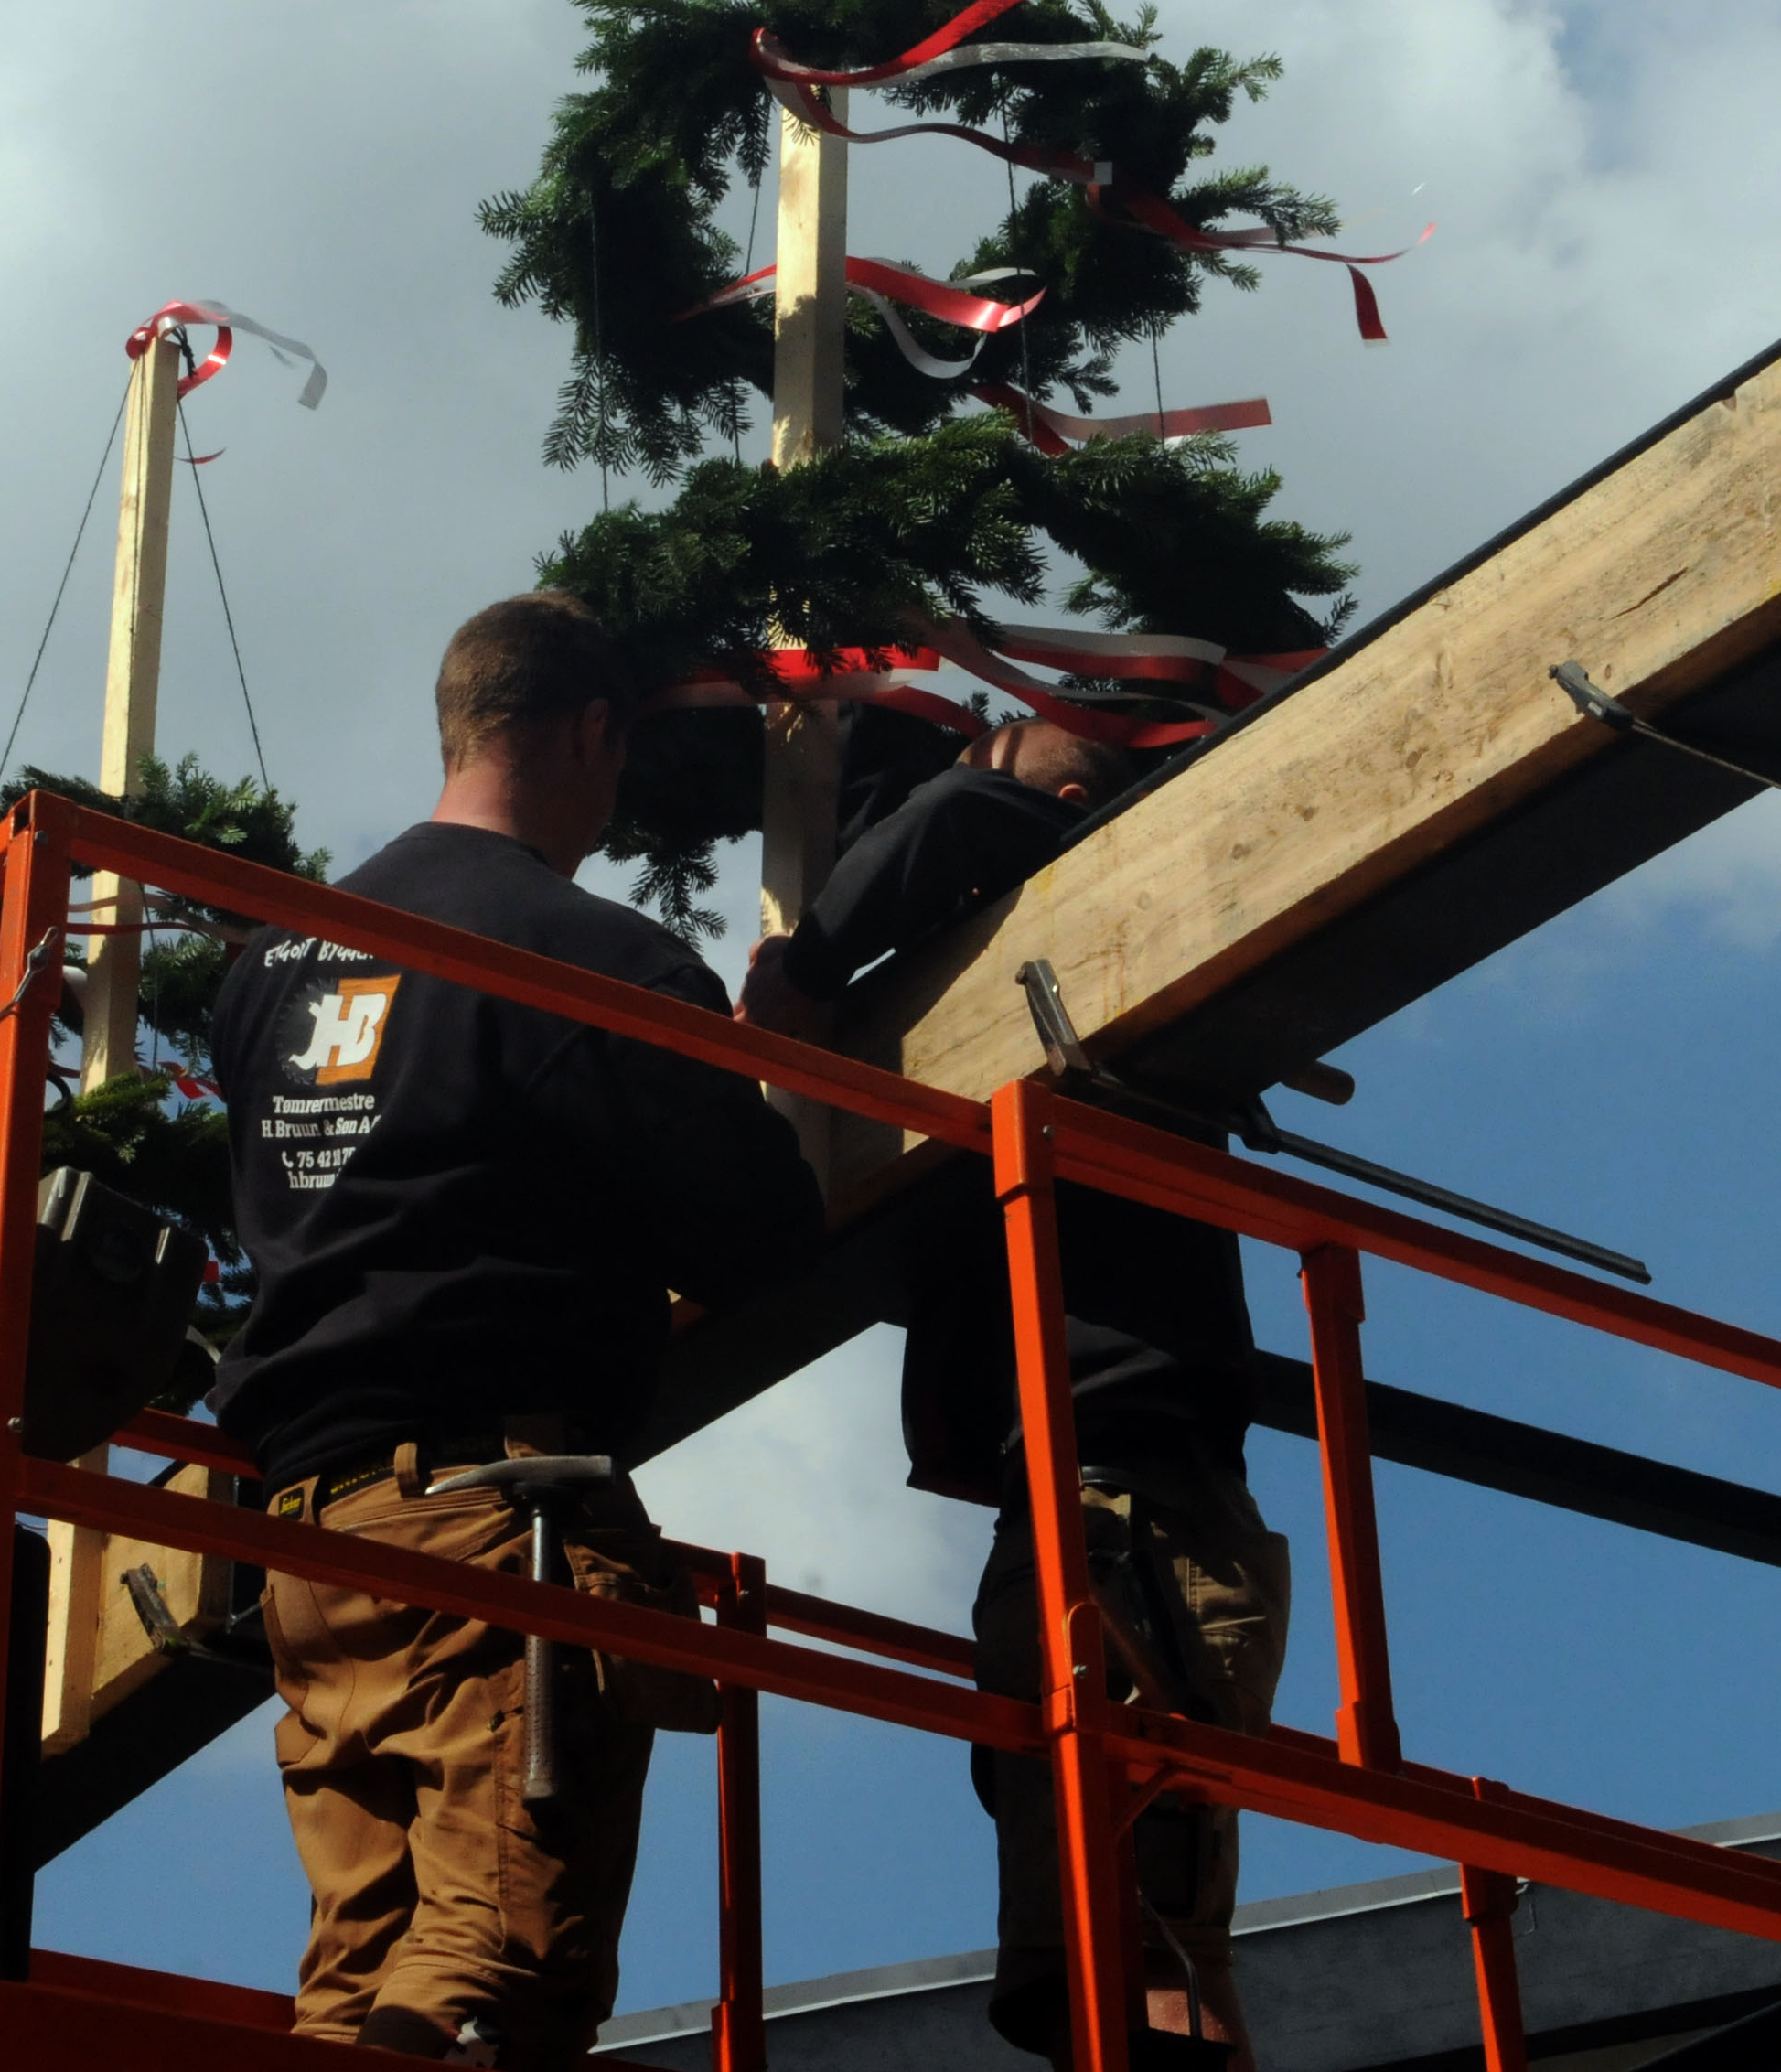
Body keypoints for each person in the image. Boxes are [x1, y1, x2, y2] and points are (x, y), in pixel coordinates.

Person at [210, 593, 826, 2065]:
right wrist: (773, 1076)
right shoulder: (579, 955)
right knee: (496, 1972)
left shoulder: (274, 969)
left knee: (357, 1990)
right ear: (592, 732)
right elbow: (760, 1238)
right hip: (486, 1527)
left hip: (310, 1550)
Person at [744, 717, 1291, 2072]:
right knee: (1091, 1955)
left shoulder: (1094, 907)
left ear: (1063, 797)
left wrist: (800, 974)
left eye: (983, 759)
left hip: (1135, 1505)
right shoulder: (999, 998)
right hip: (1084, 1504)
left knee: (1141, 1941)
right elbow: (923, 829)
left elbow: (958, 823)